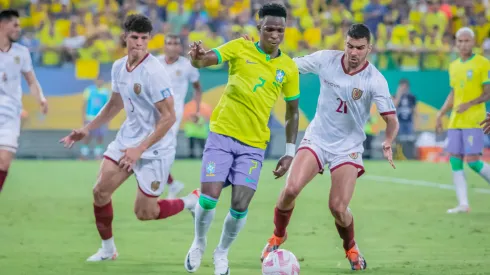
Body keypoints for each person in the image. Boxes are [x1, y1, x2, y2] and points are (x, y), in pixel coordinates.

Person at [257, 23, 399, 271]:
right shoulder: (326, 60)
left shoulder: (375, 80)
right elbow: (289, 65)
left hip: (348, 147)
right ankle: (278, 236)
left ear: (369, 49)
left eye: (359, 48)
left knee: (337, 207)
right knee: (290, 189)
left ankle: (351, 248)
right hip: (318, 139)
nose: (353, 52)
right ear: (344, 43)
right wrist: (260, 52)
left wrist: (388, 140)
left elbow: (392, 120)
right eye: (349, 46)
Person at [59, 14, 199, 261]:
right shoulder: (118, 67)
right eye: (134, 37)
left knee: (145, 213)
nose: (139, 43)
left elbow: (169, 118)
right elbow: (114, 104)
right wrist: (87, 129)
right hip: (127, 140)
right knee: (100, 192)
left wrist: (140, 149)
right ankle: (108, 249)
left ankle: (191, 201)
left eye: (144, 38)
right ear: (125, 37)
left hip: (156, 147)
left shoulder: (154, 72)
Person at [184, 3, 300, 275]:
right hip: (222, 135)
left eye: (280, 30)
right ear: (259, 28)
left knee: (239, 205)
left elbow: (293, 112)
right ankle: (199, 243)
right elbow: (204, 60)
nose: (274, 34)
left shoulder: (288, 68)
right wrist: (196, 56)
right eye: (269, 28)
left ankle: (221, 252)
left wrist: (290, 151)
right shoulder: (240, 48)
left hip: (253, 146)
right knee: (210, 198)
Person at [436, 27, 490, 214]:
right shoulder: (454, 65)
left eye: (466, 40)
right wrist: (441, 113)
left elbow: (487, 93)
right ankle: (463, 204)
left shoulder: (483, 63)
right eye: (459, 41)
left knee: (473, 161)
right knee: (455, 160)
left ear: (473, 42)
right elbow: (453, 93)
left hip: (474, 120)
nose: (462, 44)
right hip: (455, 121)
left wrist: (469, 104)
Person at [0, 9, 48, 193]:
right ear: (2, 25)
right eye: (15, 25)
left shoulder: (22, 52)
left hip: (10, 115)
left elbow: (31, 80)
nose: (19, 29)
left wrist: (41, 99)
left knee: (4, 162)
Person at [157, 34, 203, 199]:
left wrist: (196, 110)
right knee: (151, 148)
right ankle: (171, 183)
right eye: (169, 43)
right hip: (154, 110)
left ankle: (166, 183)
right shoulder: (156, 63)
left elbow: (197, 88)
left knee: (164, 147)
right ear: (164, 46)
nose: (172, 46)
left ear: (180, 47)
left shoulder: (187, 65)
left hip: (173, 113)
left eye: (176, 43)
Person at [80, 74, 110, 160]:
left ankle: (98, 155)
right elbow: (84, 104)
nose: (100, 81)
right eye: (98, 80)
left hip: (100, 119)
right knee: (87, 136)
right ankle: (83, 155)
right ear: (95, 81)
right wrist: (83, 118)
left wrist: (107, 119)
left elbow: (107, 106)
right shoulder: (89, 90)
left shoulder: (106, 92)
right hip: (89, 118)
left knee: (99, 137)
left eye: (101, 80)